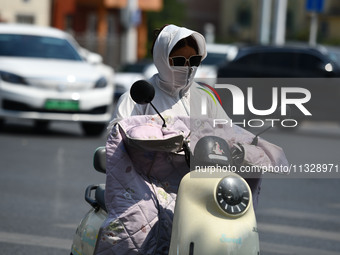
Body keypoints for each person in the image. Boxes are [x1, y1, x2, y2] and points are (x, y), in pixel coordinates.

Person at [96, 24, 287, 255]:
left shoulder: (206, 96)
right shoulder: (138, 97)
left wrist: (246, 146)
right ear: (162, 58)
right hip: (148, 185)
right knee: (138, 225)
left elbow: (227, 132)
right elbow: (118, 137)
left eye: (194, 60)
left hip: (202, 184)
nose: (187, 67)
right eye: (179, 61)